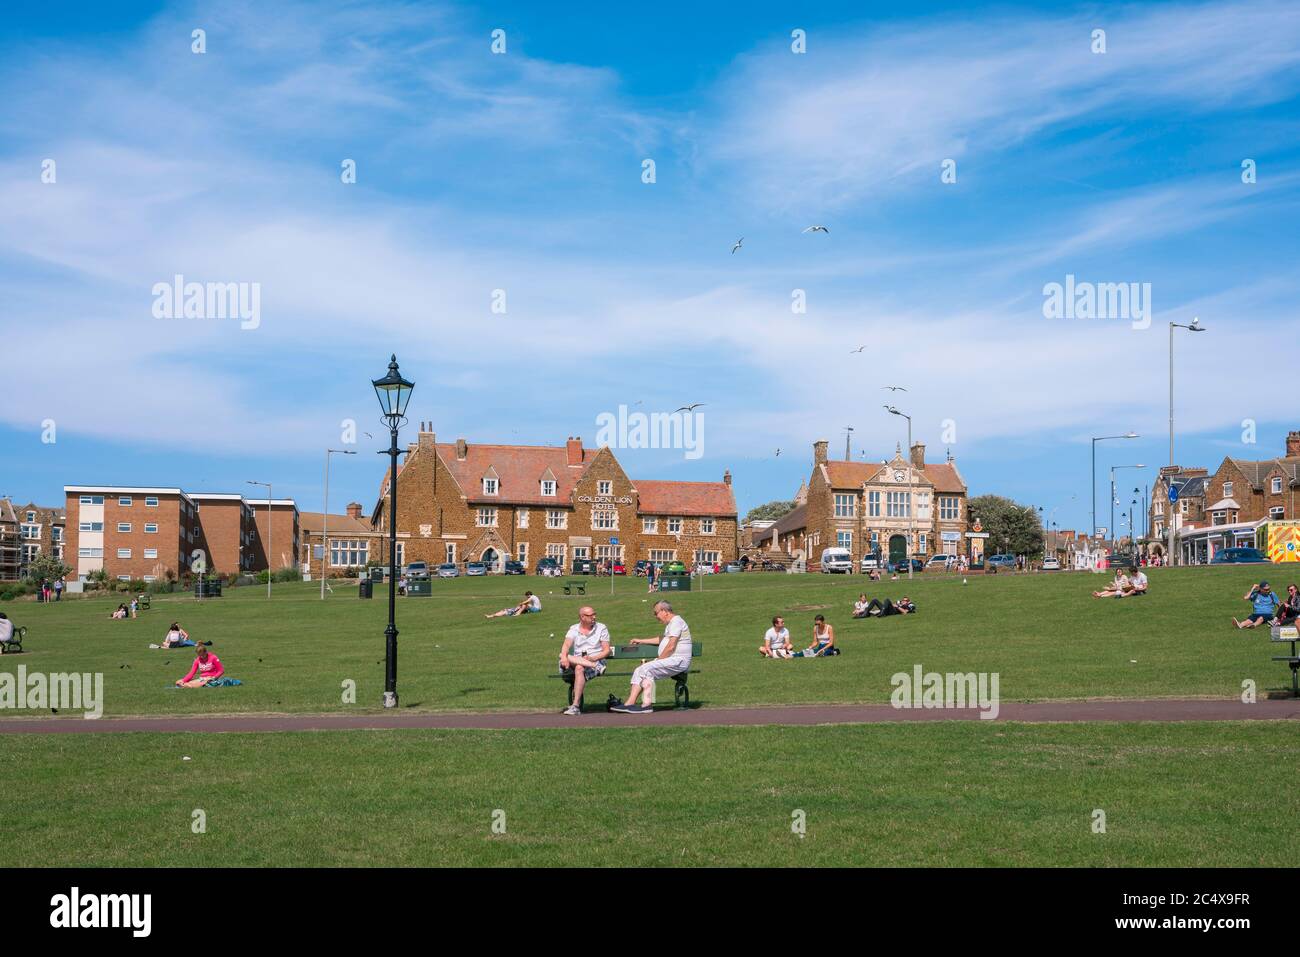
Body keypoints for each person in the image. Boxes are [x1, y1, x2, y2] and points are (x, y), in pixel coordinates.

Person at [610, 600, 692, 713]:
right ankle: (636, 704)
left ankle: (639, 704)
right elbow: (662, 640)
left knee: (645, 668)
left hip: (678, 661)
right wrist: (641, 640)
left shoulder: (676, 621)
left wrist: (658, 660)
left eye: (656, 613)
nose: (655, 616)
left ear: (664, 611)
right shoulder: (671, 624)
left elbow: (671, 646)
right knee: (641, 670)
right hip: (673, 660)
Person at [558, 606, 611, 715]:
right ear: (582, 617)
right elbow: (566, 644)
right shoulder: (574, 629)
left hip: (596, 659)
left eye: (594, 614)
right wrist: (564, 657)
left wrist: (593, 658)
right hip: (584, 661)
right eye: (591, 615)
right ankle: (594, 666)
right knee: (562, 655)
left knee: (579, 667)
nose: (594, 617)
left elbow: (607, 651)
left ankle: (575, 706)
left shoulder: (601, 628)